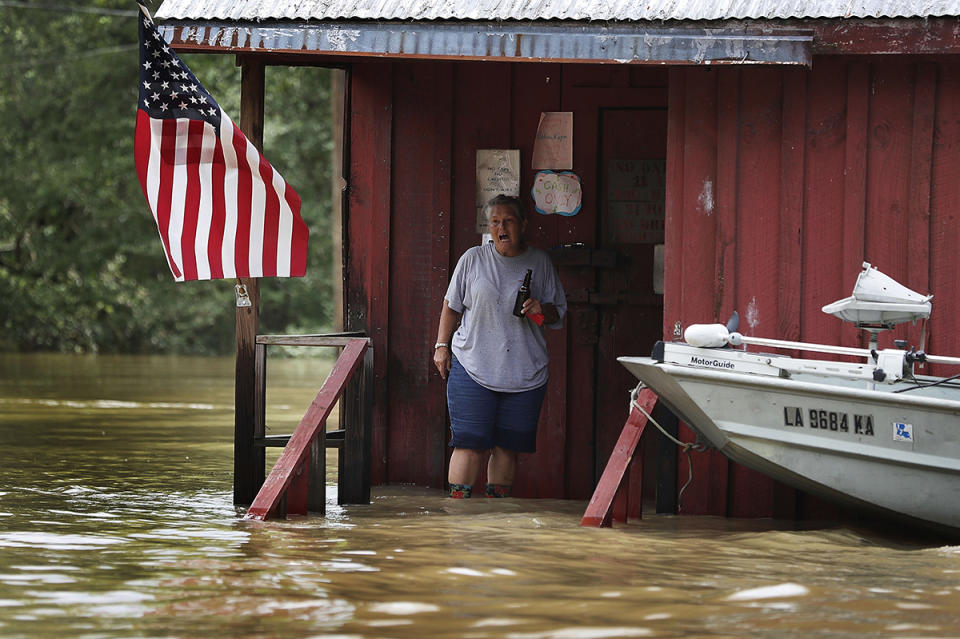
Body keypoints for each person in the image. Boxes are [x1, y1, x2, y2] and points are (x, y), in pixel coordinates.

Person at [433, 194, 567, 498]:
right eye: (495, 222)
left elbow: (558, 314)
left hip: (524, 373)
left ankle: (497, 518)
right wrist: (441, 346)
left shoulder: (540, 262)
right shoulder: (473, 259)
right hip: (473, 367)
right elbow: (450, 306)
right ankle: (458, 516)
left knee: (507, 448)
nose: (501, 227)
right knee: (469, 443)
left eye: (507, 221)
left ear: (523, 224)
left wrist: (541, 310)